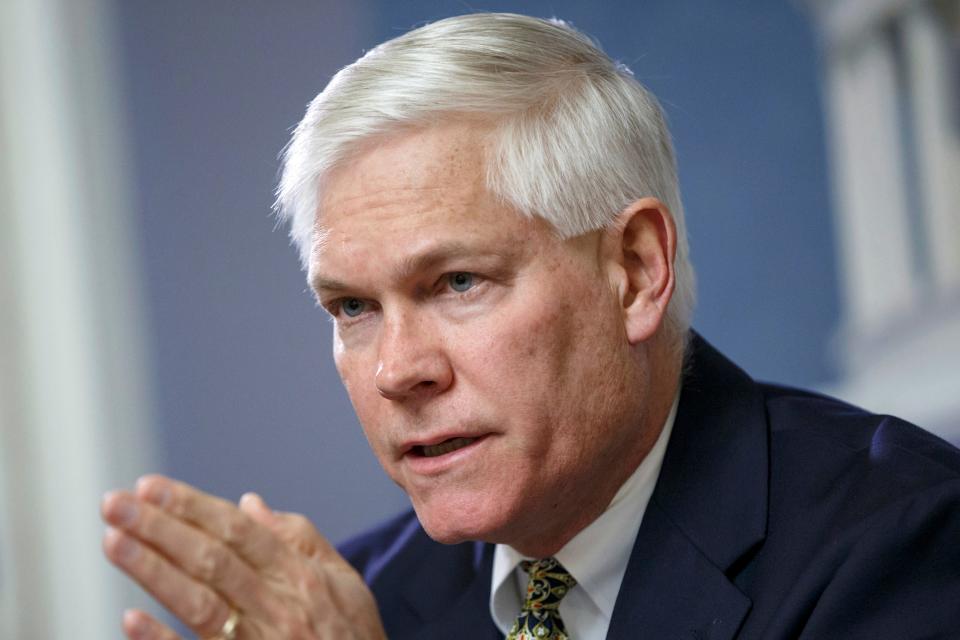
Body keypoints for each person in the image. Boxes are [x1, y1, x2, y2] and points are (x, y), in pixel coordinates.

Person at [101, 12, 960, 640]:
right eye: (353, 308)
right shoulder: (361, 598)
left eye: (457, 282)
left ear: (635, 271)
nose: (398, 370)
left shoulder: (898, 542)